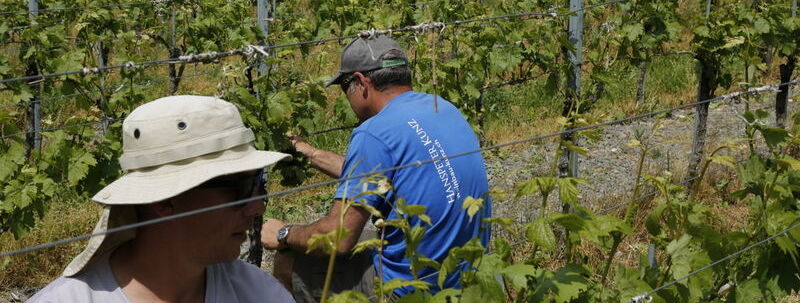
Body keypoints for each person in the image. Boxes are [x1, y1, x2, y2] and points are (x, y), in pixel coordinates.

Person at [260, 35, 492, 302]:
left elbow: (337, 239)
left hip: (411, 291)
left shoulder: (374, 132)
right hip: (464, 275)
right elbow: (386, 173)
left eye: (345, 87)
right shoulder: (440, 108)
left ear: (360, 82)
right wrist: (312, 153)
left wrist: (284, 233)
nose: (346, 97)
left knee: (291, 258)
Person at [29, 95, 296, 303]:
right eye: (240, 187)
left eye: (258, 182)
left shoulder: (259, 292)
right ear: (164, 200)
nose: (257, 206)